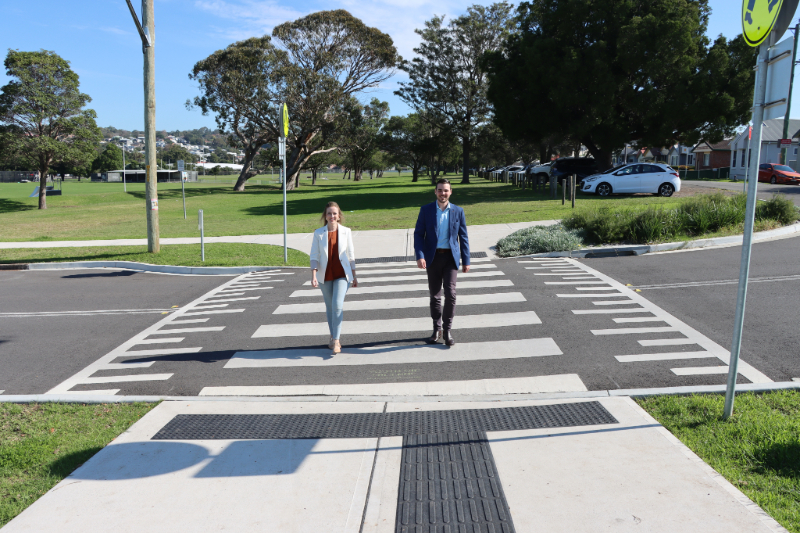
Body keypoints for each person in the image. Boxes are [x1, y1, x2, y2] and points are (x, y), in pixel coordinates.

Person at [414, 178, 470, 346]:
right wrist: (420, 255)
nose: (442, 193)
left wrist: (466, 260)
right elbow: (418, 234)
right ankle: (436, 329)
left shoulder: (458, 211)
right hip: (432, 258)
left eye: (446, 190)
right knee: (435, 296)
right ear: (435, 192)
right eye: (440, 190)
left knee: (451, 295)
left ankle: (447, 330)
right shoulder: (426, 210)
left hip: (451, 258)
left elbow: (463, 236)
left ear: (450, 192)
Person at [310, 202, 358, 354]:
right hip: (325, 275)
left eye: (335, 213)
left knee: (337, 305)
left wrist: (354, 275)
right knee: (330, 307)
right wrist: (313, 275)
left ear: (339, 216)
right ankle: (332, 337)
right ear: (325, 216)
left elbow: (351, 255)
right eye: (329, 213)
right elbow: (314, 255)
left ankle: (336, 340)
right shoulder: (319, 233)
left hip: (342, 274)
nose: (332, 216)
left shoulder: (346, 231)